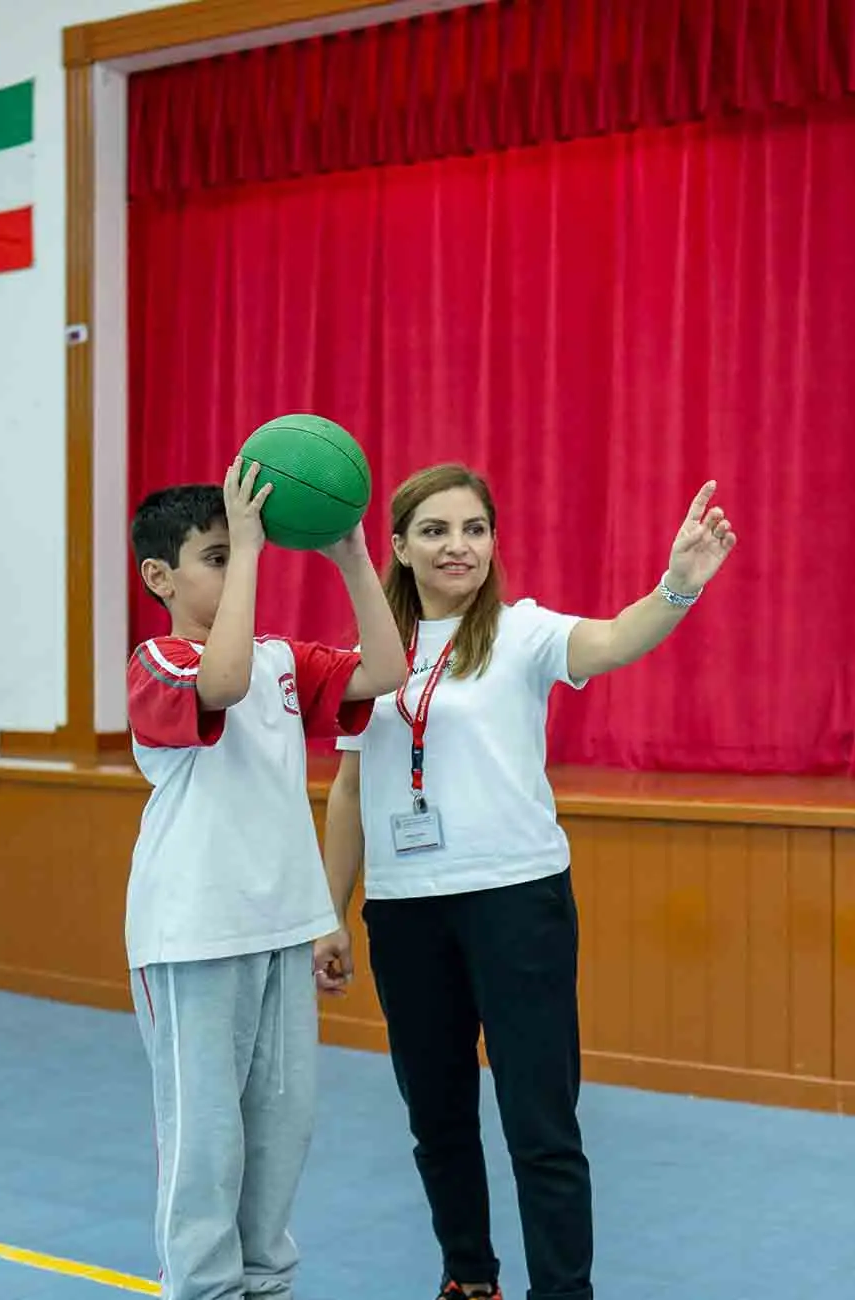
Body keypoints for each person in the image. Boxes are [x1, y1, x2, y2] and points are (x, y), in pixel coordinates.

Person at [317, 463, 737, 1300]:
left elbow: (616, 637)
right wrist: (329, 914)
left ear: (492, 543)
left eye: (474, 528)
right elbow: (349, 790)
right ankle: (468, 1277)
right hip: (405, 915)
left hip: (518, 904)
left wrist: (679, 587)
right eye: (434, 530)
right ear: (398, 547)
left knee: (540, 1127)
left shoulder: (524, 632)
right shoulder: (371, 655)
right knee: (436, 1121)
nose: (457, 546)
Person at [125, 458, 408, 1300]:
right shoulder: (158, 663)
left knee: (280, 1134)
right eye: (215, 556)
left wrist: (354, 557)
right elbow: (223, 678)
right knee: (205, 1140)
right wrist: (250, 544)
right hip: (193, 936)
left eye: (237, 552)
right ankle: (204, 1289)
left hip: (282, 929)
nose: (235, 562)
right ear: (158, 577)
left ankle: (266, 1283)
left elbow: (386, 672)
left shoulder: (285, 661)